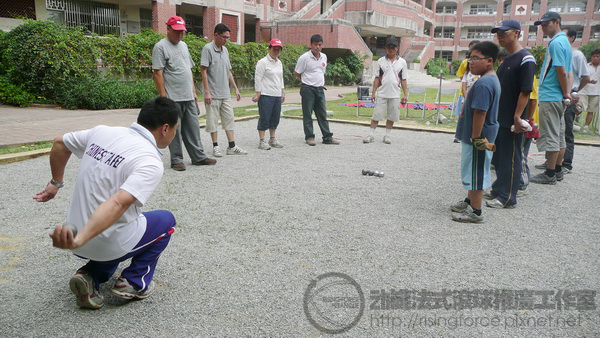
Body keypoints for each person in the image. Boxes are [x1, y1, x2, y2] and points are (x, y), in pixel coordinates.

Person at [33, 97, 179, 309]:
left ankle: (90, 274)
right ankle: (134, 282)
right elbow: (118, 203)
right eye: (176, 129)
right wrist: (80, 239)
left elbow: (59, 143)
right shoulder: (149, 160)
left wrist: (56, 183)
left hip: (74, 235)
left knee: (126, 228)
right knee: (166, 220)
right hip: (87, 241)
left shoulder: (102, 132)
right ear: (165, 128)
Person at [152, 16, 216, 171]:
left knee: (193, 128)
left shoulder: (184, 46)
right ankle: (176, 160)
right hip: (173, 97)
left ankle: (198, 157)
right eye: (177, 31)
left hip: (188, 96)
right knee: (175, 130)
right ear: (168, 29)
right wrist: (163, 97)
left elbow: (188, 71)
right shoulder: (160, 47)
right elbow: (157, 73)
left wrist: (194, 91)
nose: (180, 35)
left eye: (182, 32)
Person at [486, 20, 535, 209]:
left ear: (516, 33)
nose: (500, 36)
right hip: (500, 116)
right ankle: (499, 188)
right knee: (499, 158)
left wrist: (517, 116)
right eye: (498, 33)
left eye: (504, 32)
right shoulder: (507, 58)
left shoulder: (526, 59)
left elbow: (525, 91)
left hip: (511, 118)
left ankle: (508, 196)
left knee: (511, 157)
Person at [450, 41, 501, 223]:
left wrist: (475, 137)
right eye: (469, 58)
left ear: (489, 61)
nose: (471, 62)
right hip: (480, 135)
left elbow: (481, 112)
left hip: (478, 137)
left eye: (475, 58)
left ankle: (476, 211)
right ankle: (469, 200)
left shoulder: (484, 84)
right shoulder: (489, 79)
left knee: (476, 171)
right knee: (472, 170)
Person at [531, 12, 572, 185]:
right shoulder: (566, 42)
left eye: (546, 24)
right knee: (560, 134)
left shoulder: (556, 42)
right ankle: (557, 169)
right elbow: (569, 72)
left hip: (551, 94)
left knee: (551, 135)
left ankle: (549, 174)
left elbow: (562, 71)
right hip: (559, 96)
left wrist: (564, 93)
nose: (543, 28)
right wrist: (567, 94)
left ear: (557, 22)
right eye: (542, 25)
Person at [201, 23, 247, 156]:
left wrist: (236, 88)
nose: (226, 40)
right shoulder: (207, 49)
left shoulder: (225, 50)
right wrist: (207, 91)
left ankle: (232, 146)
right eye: (224, 37)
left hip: (225, 93)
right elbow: (203, 71)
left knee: (229, 119)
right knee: (212, 120)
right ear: (216, 35)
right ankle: (215, 146)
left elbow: (228, 71)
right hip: (213, 93)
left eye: (228, 37)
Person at [294, 34, 339, 146]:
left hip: (320, 89)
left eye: (319, 45)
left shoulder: (324, 57)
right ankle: (309, 137)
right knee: (308, 114)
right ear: (311, 45)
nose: (317, 47)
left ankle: (327, 137)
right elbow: (297, 72)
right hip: (308, 89)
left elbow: (321, 71)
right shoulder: (304, 57)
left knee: (322, 114)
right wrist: (305, 80)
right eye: (315, 44)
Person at [363, 37, 408, 144]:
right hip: (382, 93)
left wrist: (405, 94)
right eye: (389, 47)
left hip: (395, 94)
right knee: (376, 115)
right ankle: (371, 135)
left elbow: (404, 79)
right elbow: (377, 78)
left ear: (397, 48)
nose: (391, 49)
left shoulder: (402, 62)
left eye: (393, 47)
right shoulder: (380, 61)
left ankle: (387, 135)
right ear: (386, 48)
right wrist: (373, 92)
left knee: (392, 115)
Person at [560, 28, 590, 173]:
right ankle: (553, 161)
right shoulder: (560, 53)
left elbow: (586, 77)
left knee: (566, 130)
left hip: (570, 97)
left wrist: (575, 91)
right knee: (556, 130)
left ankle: (566, 163)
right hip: (557, 95)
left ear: (572, 38)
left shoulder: (577, 55)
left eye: (564, 36)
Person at [253, 39, 285, 150]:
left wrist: (282, 91)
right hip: (266, 94)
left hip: (276, 94)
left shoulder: (279, 62)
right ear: (269, 48)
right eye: (274, 48)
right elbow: (258, 78)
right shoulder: (262, 62)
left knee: (275, 117)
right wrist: (258, 93)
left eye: (278, 49)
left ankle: (272, 139)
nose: (276, 51)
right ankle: (262, 141)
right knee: (264, 117)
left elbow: (281, 78)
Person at [454, 40, 480, 143]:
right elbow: (462, 78)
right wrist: (466, 96)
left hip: (476, 97)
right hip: (465, 95)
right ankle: (460, 135)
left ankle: (474, 136)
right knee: (463, 116)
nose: (472, 62)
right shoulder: (465, 63)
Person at [578, 49, 600, 133]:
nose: (595, 58)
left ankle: (586, 127)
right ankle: (574, 120)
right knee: (580, 107)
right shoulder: (587, 66)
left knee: (591, 110)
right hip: (583, 91)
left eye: (597, 56)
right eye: (594, 56)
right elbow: (581, 77)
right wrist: (589, 81)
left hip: (596, 92)